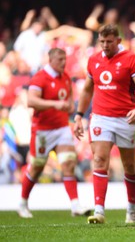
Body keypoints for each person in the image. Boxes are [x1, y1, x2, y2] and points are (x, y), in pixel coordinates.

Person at [73, 24, 135, 224]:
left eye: (109, 41)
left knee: (130, 165)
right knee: (99, 159)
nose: (105, 45)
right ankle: (99, 211)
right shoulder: (94, 60)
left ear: (118, 41)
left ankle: (131, 208)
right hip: (101, 117)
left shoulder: (131, 59)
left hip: (126, 118)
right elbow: (87, 90)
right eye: (102, 42)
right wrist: (79, 115)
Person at [18, 48, 90, 218]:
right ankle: (22, 202)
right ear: (50, 60)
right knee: (37, 167)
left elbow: (70, 100)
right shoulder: (40, 77)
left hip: (62, 128)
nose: (63, 62)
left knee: (68, 163)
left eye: (64, 59)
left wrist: (71, 108)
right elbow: (31, 101)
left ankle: (75, 205)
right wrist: (54, 104)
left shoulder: (65, 77)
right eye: (59, 60)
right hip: (42, 130)